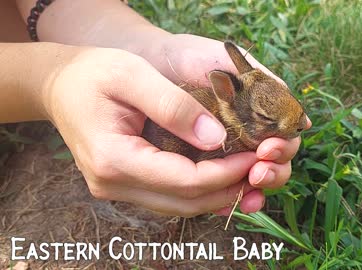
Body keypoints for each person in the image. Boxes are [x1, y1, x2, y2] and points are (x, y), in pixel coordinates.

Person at [0, 0, 309, 217]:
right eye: (265, 118)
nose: (301, 125)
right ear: (226, 94)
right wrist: (49, 82)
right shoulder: (225, 126)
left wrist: (147, 47)